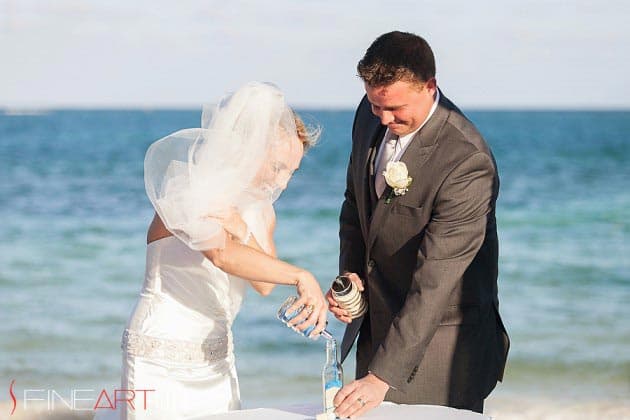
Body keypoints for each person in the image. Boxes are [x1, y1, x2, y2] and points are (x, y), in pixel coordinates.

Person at [94, 82, 326, 420]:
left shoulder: (263, 212)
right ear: (248, 148)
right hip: (160, 354)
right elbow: (221, 255)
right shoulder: (189, 188)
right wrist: (301, 275)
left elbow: (264, 285)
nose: (283, 183)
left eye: (292, 172)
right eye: (277, 167)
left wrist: (242, 227)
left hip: (217, 358)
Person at [327, 31, 510, 417]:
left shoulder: (466, 162)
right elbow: (354, 203)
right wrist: (351, 276)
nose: (384, 118)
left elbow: (435, 284)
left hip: (442, 354)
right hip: (377, 331)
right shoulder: (369, 113)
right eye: (376, 106)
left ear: (430, 86)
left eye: (394, 108)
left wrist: (382, 377)